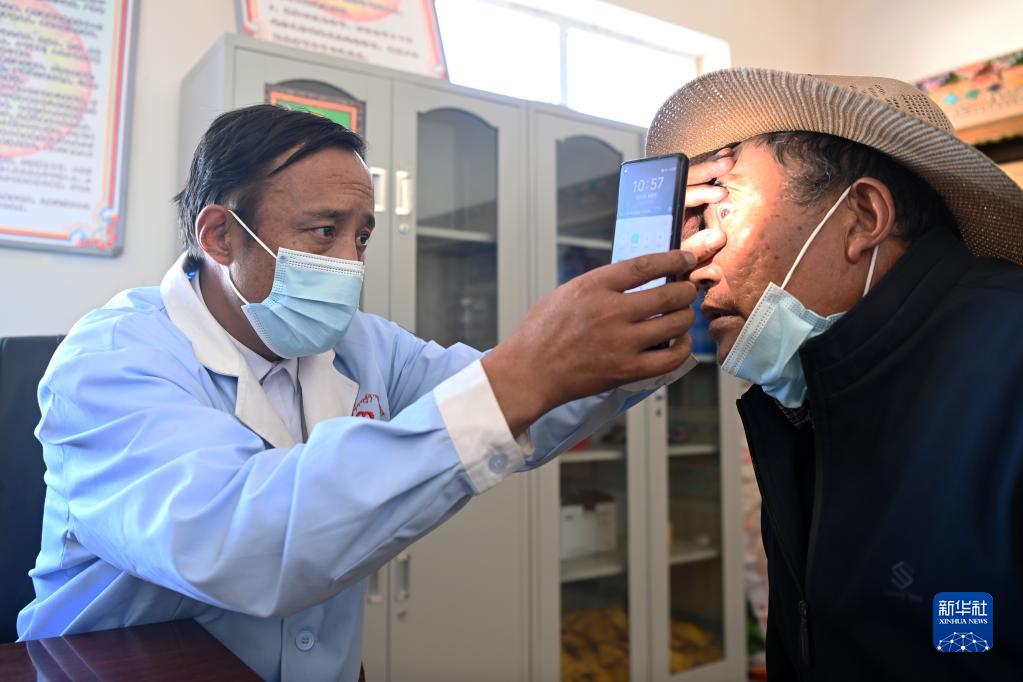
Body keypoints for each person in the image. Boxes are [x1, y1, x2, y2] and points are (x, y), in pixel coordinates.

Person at [16, 104, 732, 681]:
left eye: (361, 237)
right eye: (322, 231)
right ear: (221, 236)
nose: (349, 264)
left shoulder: (363, 345)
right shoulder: (113, 362)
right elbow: (239, 544)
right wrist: (523, 371)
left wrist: (649, 320)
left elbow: (527, 410)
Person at [646, 68, 1023, 680]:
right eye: (693, 224)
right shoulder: (810, 389)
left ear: (864, 217)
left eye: (721, 211)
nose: (695, 265)